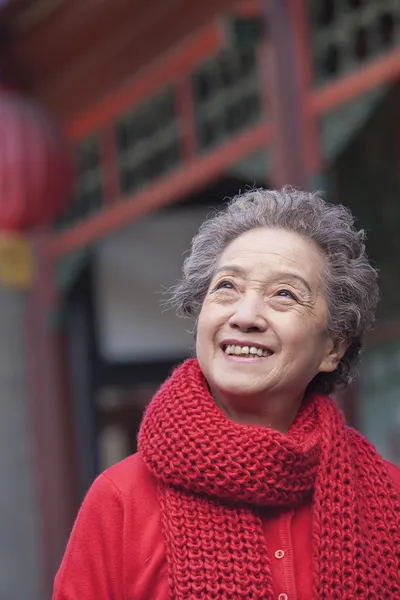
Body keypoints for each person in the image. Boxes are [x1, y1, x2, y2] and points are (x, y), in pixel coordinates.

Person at [53, 187, 400, 600]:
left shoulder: (387, 500)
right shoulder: (121, 501)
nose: (246, 316)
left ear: (332, 348)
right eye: (227, 287)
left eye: (284, 294)